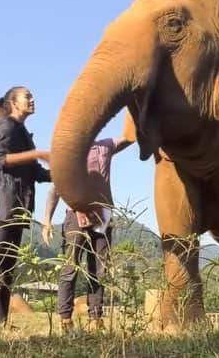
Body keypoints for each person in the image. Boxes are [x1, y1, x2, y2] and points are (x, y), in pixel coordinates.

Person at [0, 86, 51, 332]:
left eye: (32, 95)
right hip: (3, 202)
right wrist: (38, 153)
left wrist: (62, 173)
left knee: (8, 264)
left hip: (19, 205)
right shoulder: (7, 125)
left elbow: (36, 173)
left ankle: (1, 321)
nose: (33, 99)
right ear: (13, 102)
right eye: (27, 96)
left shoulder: (22, 132)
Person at [41, 134, 132, 332]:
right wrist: (47, 220)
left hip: (103, 216)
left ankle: (95, 319)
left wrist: (140, 107)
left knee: (99, 270)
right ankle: (65, 319)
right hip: (76, 216)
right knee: (70, 267)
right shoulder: (68, 154)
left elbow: (128, 138)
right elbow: (55, 190)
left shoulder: (105, 146)